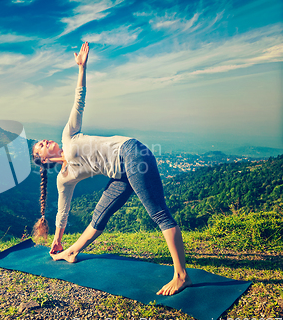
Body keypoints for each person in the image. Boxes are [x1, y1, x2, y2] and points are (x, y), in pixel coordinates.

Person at [31, 42, 192, 296]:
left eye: (43, 140)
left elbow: (79, 101)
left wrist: (81, 68)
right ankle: (71, 251)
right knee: (99, 215)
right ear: (44, 160)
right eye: (41, 146)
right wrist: (57, 240)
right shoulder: (64, 179)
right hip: (120, 173)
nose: (45, 142)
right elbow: (63, 211)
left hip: (132, 153)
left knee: (159, 214)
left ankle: (181, 275)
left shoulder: (67, 136)